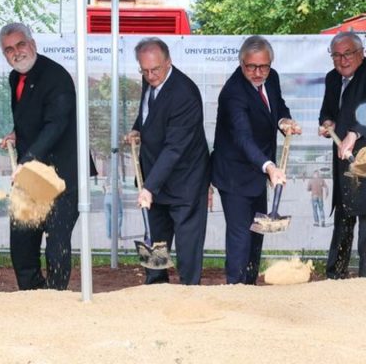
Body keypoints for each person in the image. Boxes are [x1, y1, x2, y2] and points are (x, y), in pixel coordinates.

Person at [211, 35, 301, 285]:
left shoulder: (272, 78)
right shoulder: (233, 93)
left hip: (258, 172)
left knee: (257, 231)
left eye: (263, 66)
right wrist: (270, 166)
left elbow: (278, 106)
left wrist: (284, 122)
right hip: (234, 173)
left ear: (270, 63)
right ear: (241, 64)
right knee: (241, 235)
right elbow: (243, 138)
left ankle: (249, 285)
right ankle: (236, 288)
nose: (258, 72)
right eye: (251, 67)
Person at [0, 22, 78, 291]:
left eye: (20, 45)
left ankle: (56, 299)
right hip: (31, 175)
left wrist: (26, 159)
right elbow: (33, 119)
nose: (16, 52)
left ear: (33, 44)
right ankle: (32, 295)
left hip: (61, 174)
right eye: (9, 49)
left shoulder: (57, 77)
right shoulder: (14, 77)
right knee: (21, 242)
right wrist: (16, 135)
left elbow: (56, 124)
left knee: (56, 243)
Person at [124, 37, 209, 285]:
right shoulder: (149, 78)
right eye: (145, 70)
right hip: (154, 175)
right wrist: (137, 128)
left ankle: (189, 290)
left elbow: (175, 147)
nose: (150, 76)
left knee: (187, 245)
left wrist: (148, 188)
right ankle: (156, 286)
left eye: (156, 70)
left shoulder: (185, 93)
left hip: (185, 180)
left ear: (168, 61)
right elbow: (149, 112)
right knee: (156, 239)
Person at [318, 31, 366, 279]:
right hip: (342, 163)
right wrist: (327, 122)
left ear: (361, 53)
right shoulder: (332, 79)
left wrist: (354, 133)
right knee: (344, 218)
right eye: (336, 55)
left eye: (347, 53)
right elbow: (326, 110)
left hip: (364, 161)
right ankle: (334, 279)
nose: (342, 60)